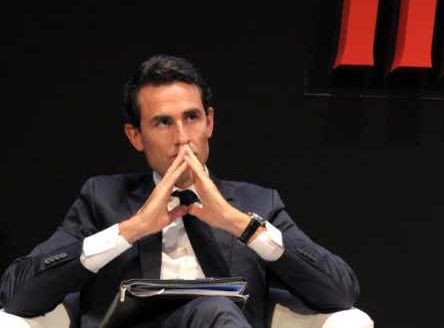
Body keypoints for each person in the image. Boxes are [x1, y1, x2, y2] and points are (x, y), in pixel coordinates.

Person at [0, 54, 359, 327]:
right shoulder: (102, 199)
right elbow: (17, 295)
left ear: (209, 122)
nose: (182, 138)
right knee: (215, 309)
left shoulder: (256, 203)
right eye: (162, 123)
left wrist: (239, 224)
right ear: (135, 136)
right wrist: (133, 229)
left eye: (191, 118)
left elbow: (340, 292)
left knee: (215, 310)